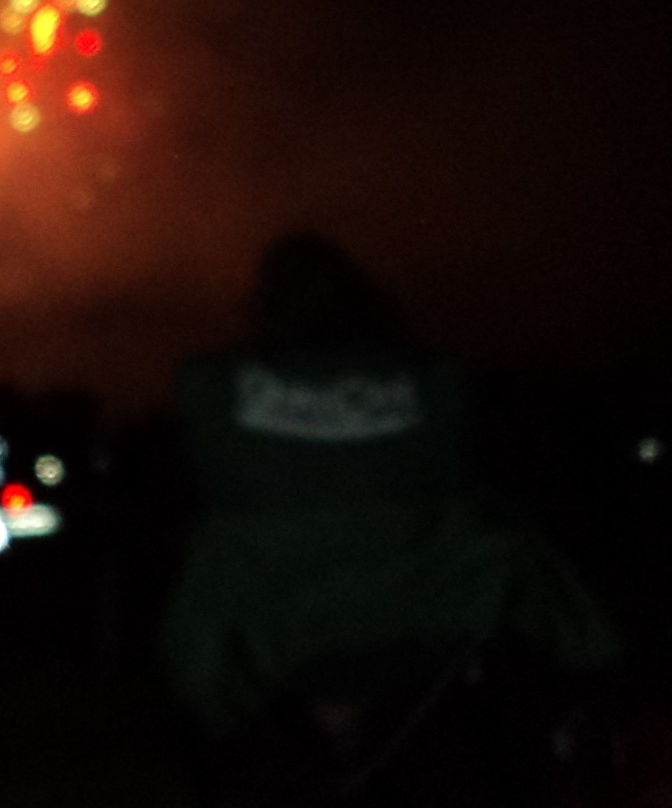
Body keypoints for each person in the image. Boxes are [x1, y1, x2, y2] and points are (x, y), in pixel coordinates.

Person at [161, 234, 619, 786]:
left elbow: (202, 631)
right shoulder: (436, 387)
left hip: (278, 643)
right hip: (431, 629)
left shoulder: (223, 394)